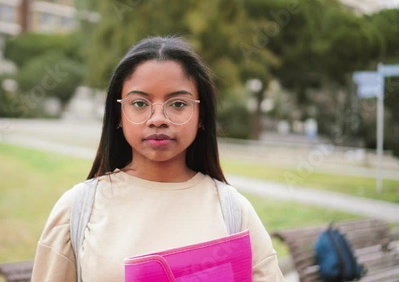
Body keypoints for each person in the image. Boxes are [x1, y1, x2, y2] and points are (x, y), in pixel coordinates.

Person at [31, 36, 285, 281]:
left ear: (202, 115)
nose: (158, 118)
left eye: (178, 104)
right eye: (140, 103)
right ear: (118, 114)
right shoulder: (77, 209)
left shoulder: (234, 212)